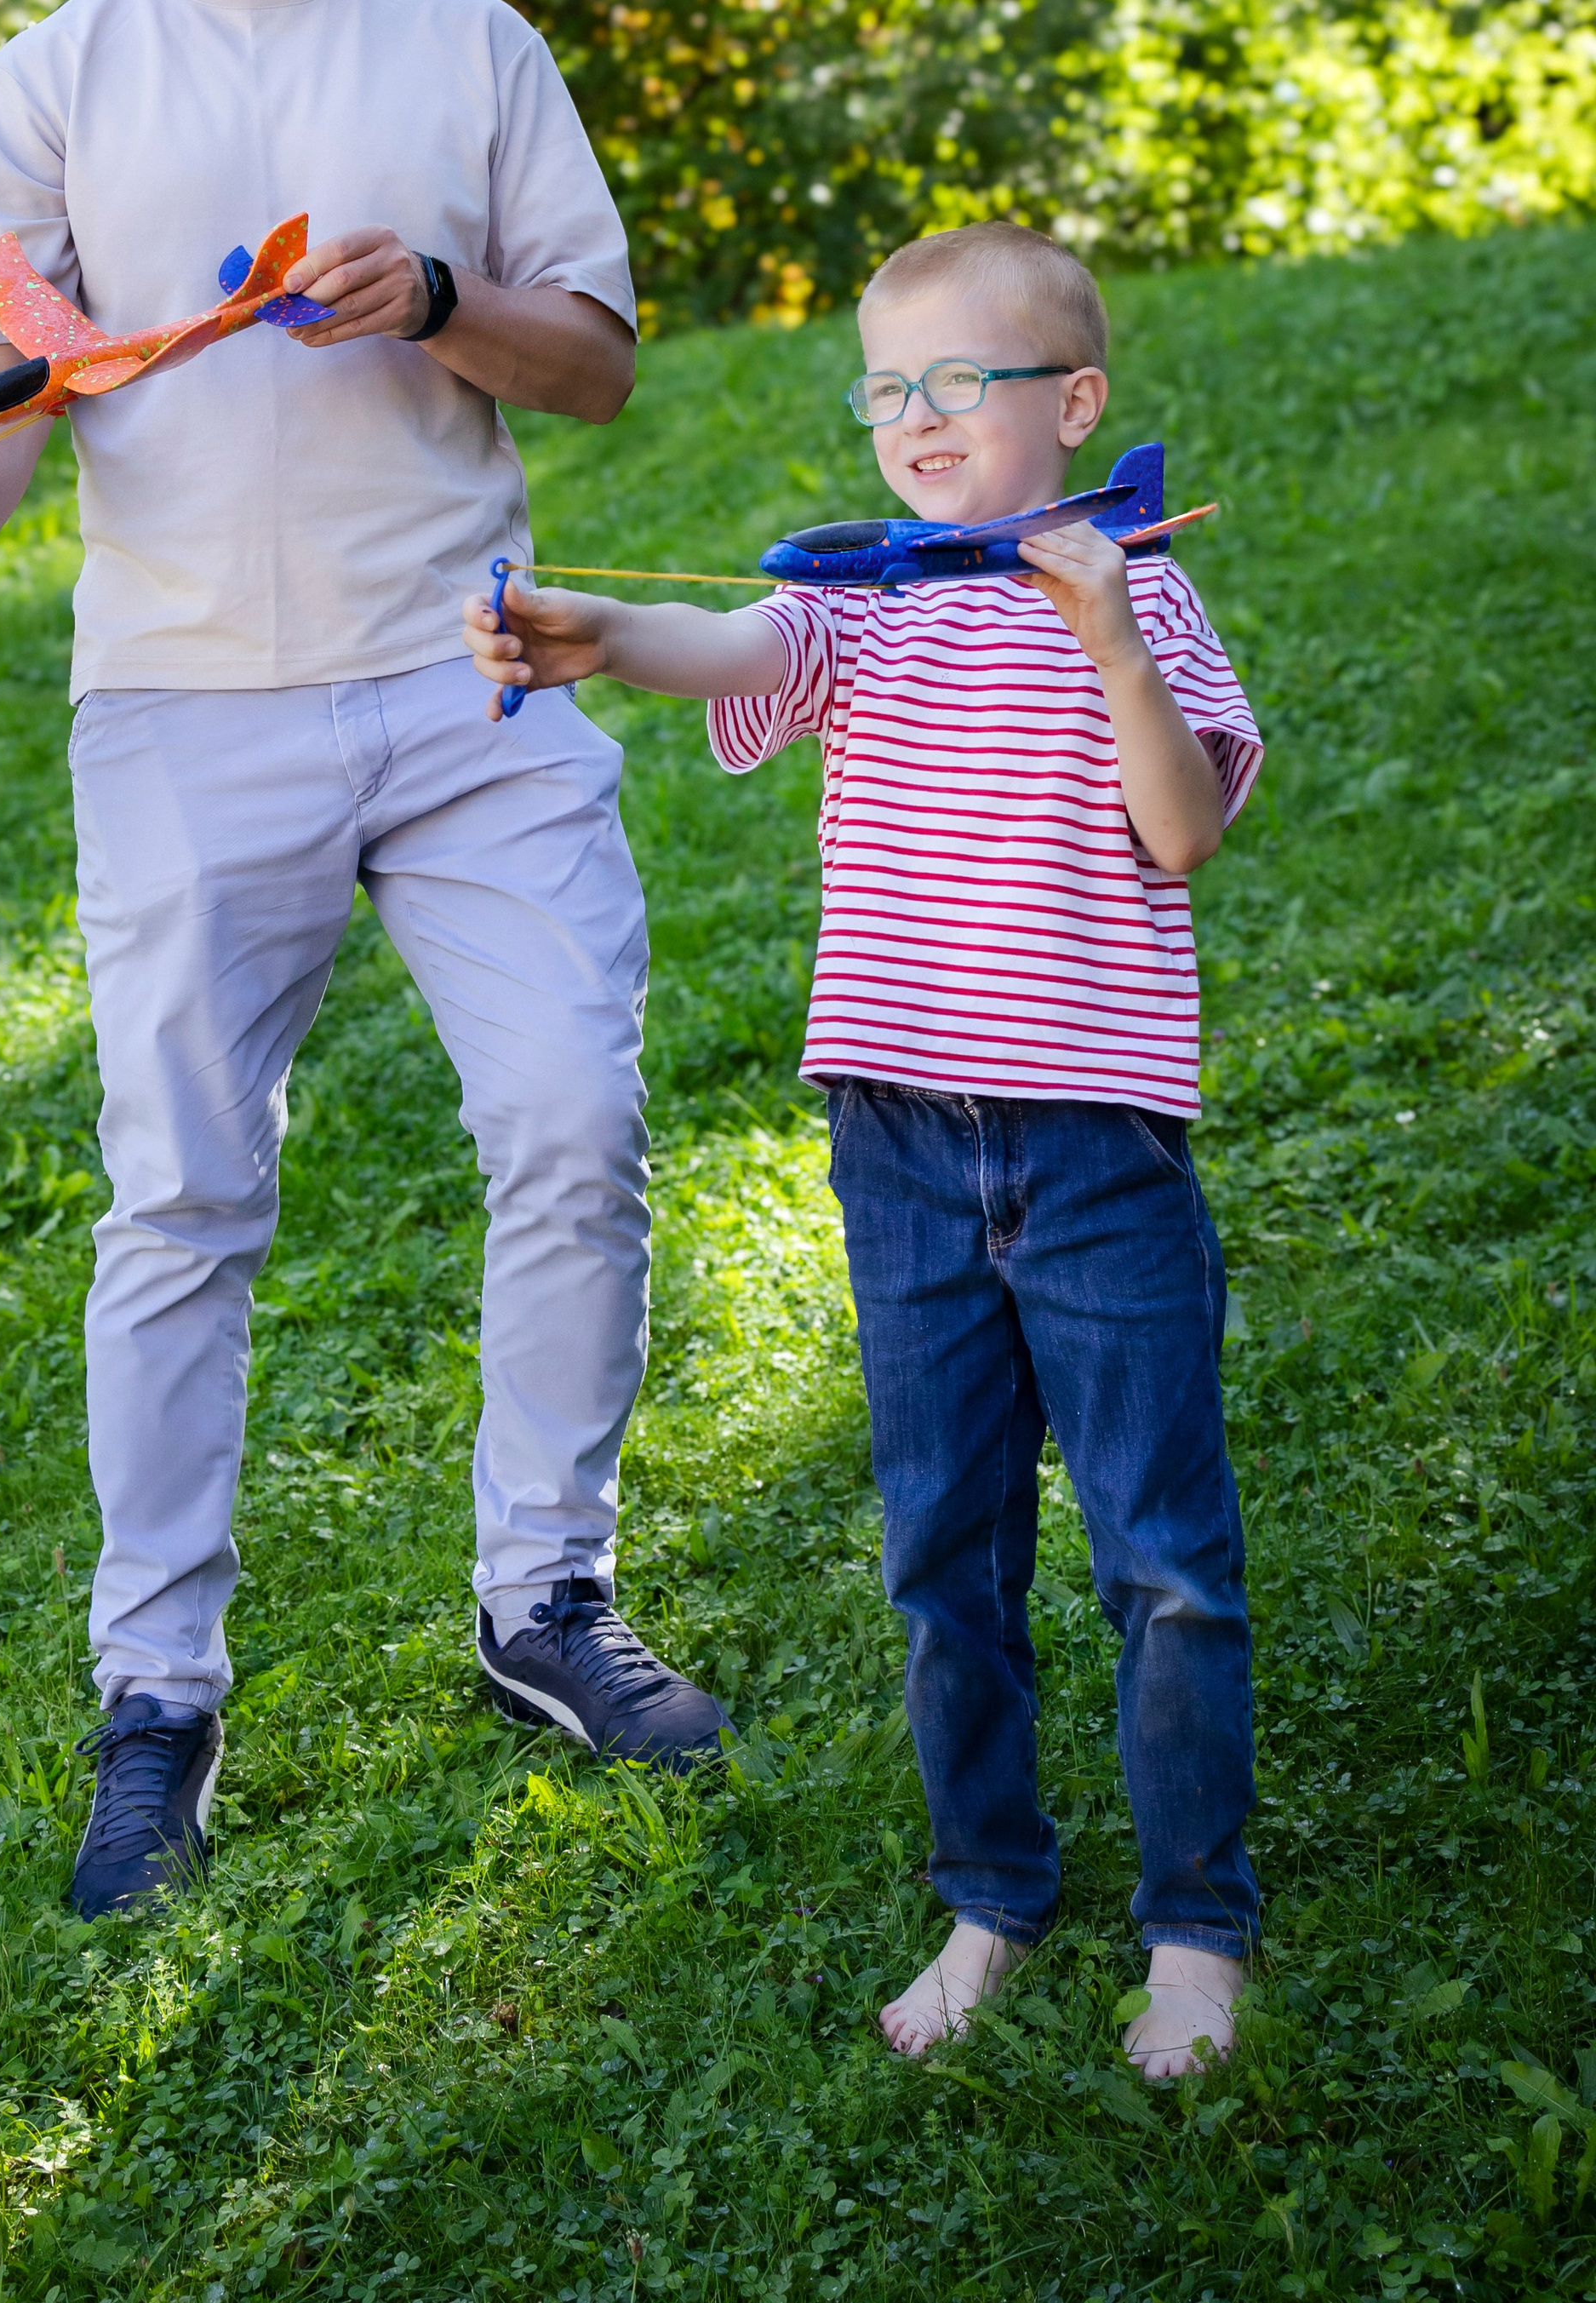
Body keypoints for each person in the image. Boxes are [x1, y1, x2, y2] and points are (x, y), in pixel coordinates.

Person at [0, 0, 729, 1922]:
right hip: (185, 712)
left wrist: (428, 305)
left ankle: (547, 1606)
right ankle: (159, 1696)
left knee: (578, 1119)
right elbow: (3, 389)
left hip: (467, 679)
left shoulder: (469, 48)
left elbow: (591, 368)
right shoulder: (56, 80)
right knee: (181, 1200)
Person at [465, 218, 1263, 2082]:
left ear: (1068, 406)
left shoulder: (1136, 595)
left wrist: (1096, 633)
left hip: (1091, 1150)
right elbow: (735, 631)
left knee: (1160, 1551)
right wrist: (599, 635)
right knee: (941, 1554)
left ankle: (1192, 1927)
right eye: (883, 389)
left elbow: (1177, 832)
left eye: (955, 385)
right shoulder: (875, 605)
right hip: (896, 1146)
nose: (912, 420)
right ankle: (989, 1886)